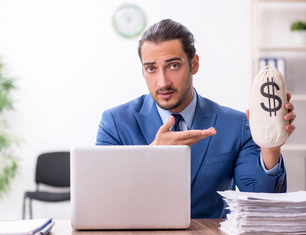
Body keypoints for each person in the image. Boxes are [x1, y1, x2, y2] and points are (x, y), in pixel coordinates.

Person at [96, 19, 296, 218]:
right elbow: (102, 203)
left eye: (173, 66)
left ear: (194, 64)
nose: (163, 82)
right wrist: (151, 158)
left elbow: (261, 208)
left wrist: (270, 148)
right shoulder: (115, 123)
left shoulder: (235, 124)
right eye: (151, 69)